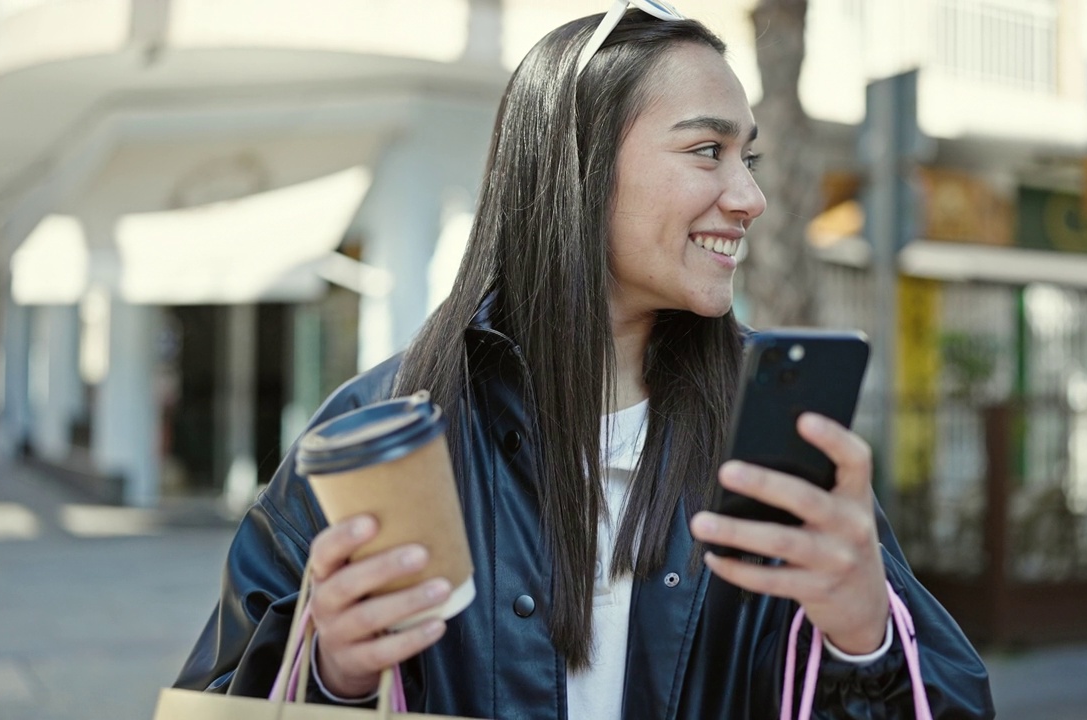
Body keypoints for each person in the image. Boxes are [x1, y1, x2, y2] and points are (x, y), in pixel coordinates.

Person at [175, 5, 994, 718]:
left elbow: (946, 696)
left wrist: (865, 641)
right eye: (707, 150)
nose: (750, 197)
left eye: (749, 159)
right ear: (579, 165)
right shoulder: (379, 427)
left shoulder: (768, 433)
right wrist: (334, 676)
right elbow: (219, 696)